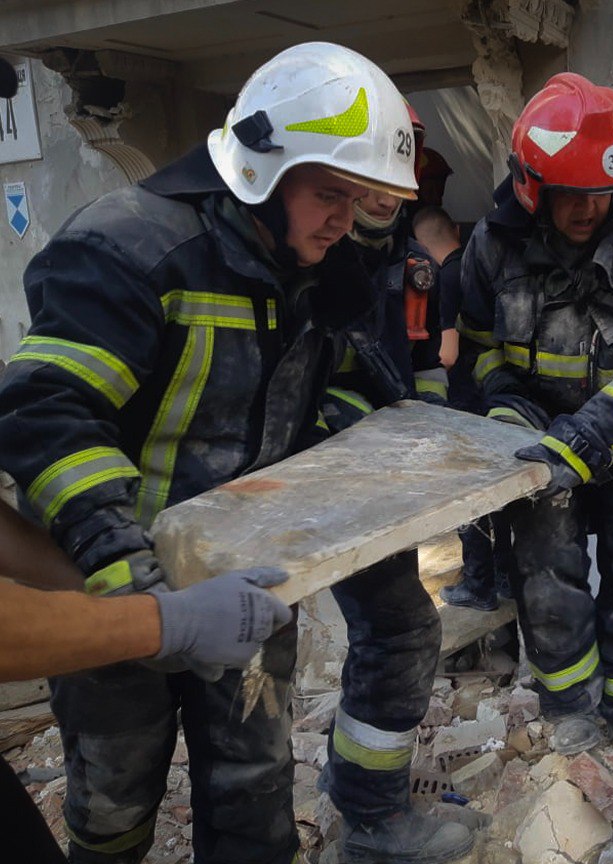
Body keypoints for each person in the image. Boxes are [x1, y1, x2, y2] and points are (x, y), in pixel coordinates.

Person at [0, 42, 418, 864]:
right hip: (104, 576)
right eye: (329, 193)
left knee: (254, 790)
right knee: (115, 798)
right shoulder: (131, 248)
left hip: (245, 583)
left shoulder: (316, 269)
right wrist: (134, 592)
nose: (345, 219)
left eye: (358, 199)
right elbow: (47, 414)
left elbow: (346, 384)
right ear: (261, 170)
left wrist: (319, 486)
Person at [457, 73, 613, 758]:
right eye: (572, 192)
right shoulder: (493, 244)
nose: (590, 208)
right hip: (540, 449)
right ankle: (569, 702)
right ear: (531, 184)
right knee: (547, 580)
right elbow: (476, 349)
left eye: (604, 192)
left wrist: (587, 433)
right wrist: (506, 407)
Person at [315, 124, 475, 864]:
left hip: (384, 485)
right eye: (366, 181)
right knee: (402, 629)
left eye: (395, 182)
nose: (382, 197)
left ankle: (353, 788)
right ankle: (371, 819)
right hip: (322, 483)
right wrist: (370, 431)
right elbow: (309, 385)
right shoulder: (317, 259)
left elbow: (425, 365)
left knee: (388, 630)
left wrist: (428, 434)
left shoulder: (414, 268)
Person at [0, 500, 293, 864]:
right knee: (112, 791)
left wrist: (103, 586)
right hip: (98, 560)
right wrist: (170, 622)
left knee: (254, 782)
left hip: (229, 546)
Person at [413, 205, 514, 612]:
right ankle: (505, 576)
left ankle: (478, 585)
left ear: (420, 246)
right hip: (499, 399)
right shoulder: (479, 268)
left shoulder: (443, 278)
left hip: (465, 402)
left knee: (468, 498)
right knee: (501, 497)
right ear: (455, 229)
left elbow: (449, 353)